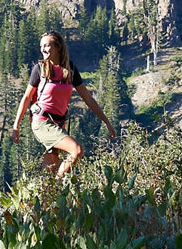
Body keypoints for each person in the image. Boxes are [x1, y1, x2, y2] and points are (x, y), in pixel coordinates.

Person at [11, 31, 116, 176]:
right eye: (41, 46)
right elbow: (26, 98)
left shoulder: (70, 69)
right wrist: (16, 126)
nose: (43, 50)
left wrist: (107, 122)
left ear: (58, 47)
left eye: (47, 46)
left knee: (50, 170)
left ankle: (47, 194)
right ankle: (59, 183)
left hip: (59, 123)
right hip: (42, 121)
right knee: (77, 150)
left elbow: (88, 99)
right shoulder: (39, 69)